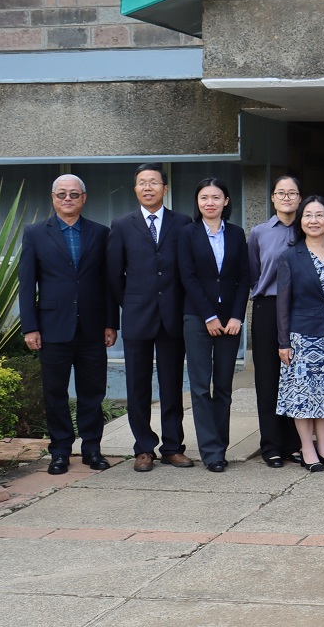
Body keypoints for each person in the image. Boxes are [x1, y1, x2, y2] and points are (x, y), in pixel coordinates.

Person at [18, 174, 118, 475]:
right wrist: (30, 327)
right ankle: (60, 451)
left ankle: (92, 450)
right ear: (53, 198)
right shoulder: (35, 233)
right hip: (52, 328)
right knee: (55, 393)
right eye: (62, 194)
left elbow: (108, 282)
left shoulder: (101, 233)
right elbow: (27, 284)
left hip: (92, 327)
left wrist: (111, 323)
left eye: (74, 194)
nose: (68, 199)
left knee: (92, 393)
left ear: (84, 198)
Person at [107, 163, 193, 472]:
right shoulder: (121, 225)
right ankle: (143, 448)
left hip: (172, 317)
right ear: (135, 189)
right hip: (137, 317)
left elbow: (188, 272)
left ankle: (172, 446)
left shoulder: (182, 223)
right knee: (137, 387)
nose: (148, 187)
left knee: (172, 386)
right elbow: (114, 275)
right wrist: (128, 304)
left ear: (165, 189)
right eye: (142, 183)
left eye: (154, 183)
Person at [177, 178, 250, 473]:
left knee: (223, 386)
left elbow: (244, 277)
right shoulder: (187, 234)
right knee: (199, 386)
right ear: (198, 202)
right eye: (204, 197)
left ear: (226, 201)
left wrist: (236, 316)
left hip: (230, 321)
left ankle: (220, 447)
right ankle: (210, 451)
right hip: (197, 318)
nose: (210, 202)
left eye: (216, 197)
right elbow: (188, 277)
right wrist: (208, 316)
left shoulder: (236, 234)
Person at [276, 195, 324, 473]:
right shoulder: (289, 256)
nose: (314, 220)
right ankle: (307, 449)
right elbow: (282, 303)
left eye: (320, 215)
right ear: (300, 220)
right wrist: (283, 341)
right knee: (303, 396)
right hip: (301, 336)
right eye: (308, 215)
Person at [248, 175, 305, 467]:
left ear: (299, 198)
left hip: (300, 309)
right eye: (281, 193)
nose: (286, 198)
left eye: (292, 193)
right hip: (268, 308)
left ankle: (294, 444)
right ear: (272, 198)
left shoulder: (308, 228)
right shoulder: (259, 232)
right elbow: (254, 273)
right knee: (268, 379)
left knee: (296, 379)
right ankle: (270, 445)